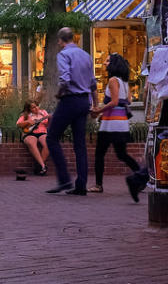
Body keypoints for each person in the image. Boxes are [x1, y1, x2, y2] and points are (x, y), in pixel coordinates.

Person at [45, 28, 96, 195]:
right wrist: (95, 105)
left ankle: (64, 179)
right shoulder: (86, 55)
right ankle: (81, 184)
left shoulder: (63, 55)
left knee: (52, 137)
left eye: (58, 41)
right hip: (84, 101)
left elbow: (65, 79)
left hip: (70, 100)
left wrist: (59, 94)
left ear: (60, 40)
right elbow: (93, 83)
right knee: (79, 144)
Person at [88, 53, 140, 193]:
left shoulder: (112, 80)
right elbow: (128, 101)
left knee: (100, 153)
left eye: (107, 61)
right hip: (122, 122)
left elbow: (114, 101)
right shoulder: (124, 81)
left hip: (110, 123)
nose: (105, 63)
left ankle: (98, 185)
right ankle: (141, 175)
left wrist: (98, 110)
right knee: (122, 154)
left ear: (113, 64)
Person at [16, 100, 50, 175]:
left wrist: (50, 118)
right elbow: (18, 124)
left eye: (37, 106)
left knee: (48, 143)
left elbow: (49, 123)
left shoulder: (43, 112)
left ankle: (39, 166)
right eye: (33, 107)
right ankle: (43, 166)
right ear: (29, 109)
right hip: (29, 133)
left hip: (42, 132)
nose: (36, 108)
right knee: (31, 143)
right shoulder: (26, 115)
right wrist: (28, 122)